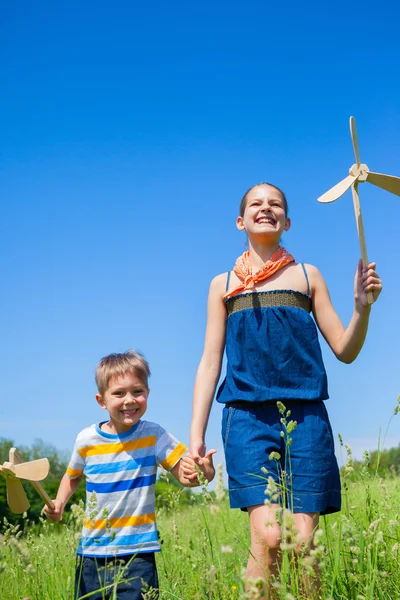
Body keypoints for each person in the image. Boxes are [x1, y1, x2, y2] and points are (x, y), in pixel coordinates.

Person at [189, 182, 382, 596]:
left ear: (287, 221)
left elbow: (345, 350)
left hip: (307, 416)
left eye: (275, 204)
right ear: (240, 221)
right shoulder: (222, 284)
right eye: (256, 204)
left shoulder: (307, 276)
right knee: (271, 536)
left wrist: (361, 309)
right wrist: (195, 438)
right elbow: (209, 362)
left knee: (303, 542)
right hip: (245, 418)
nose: (266, 208)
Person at [44, 350, 215, 600]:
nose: (129, 400)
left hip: (138, 553)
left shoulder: (154, 435)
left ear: (147, 393)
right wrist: (59, 503)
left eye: (137, 391)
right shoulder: (86, 439)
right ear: (101, 400)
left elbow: (186, 476)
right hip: (93, 553)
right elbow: (72, 476)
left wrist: (204, 472)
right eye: (118, 393)